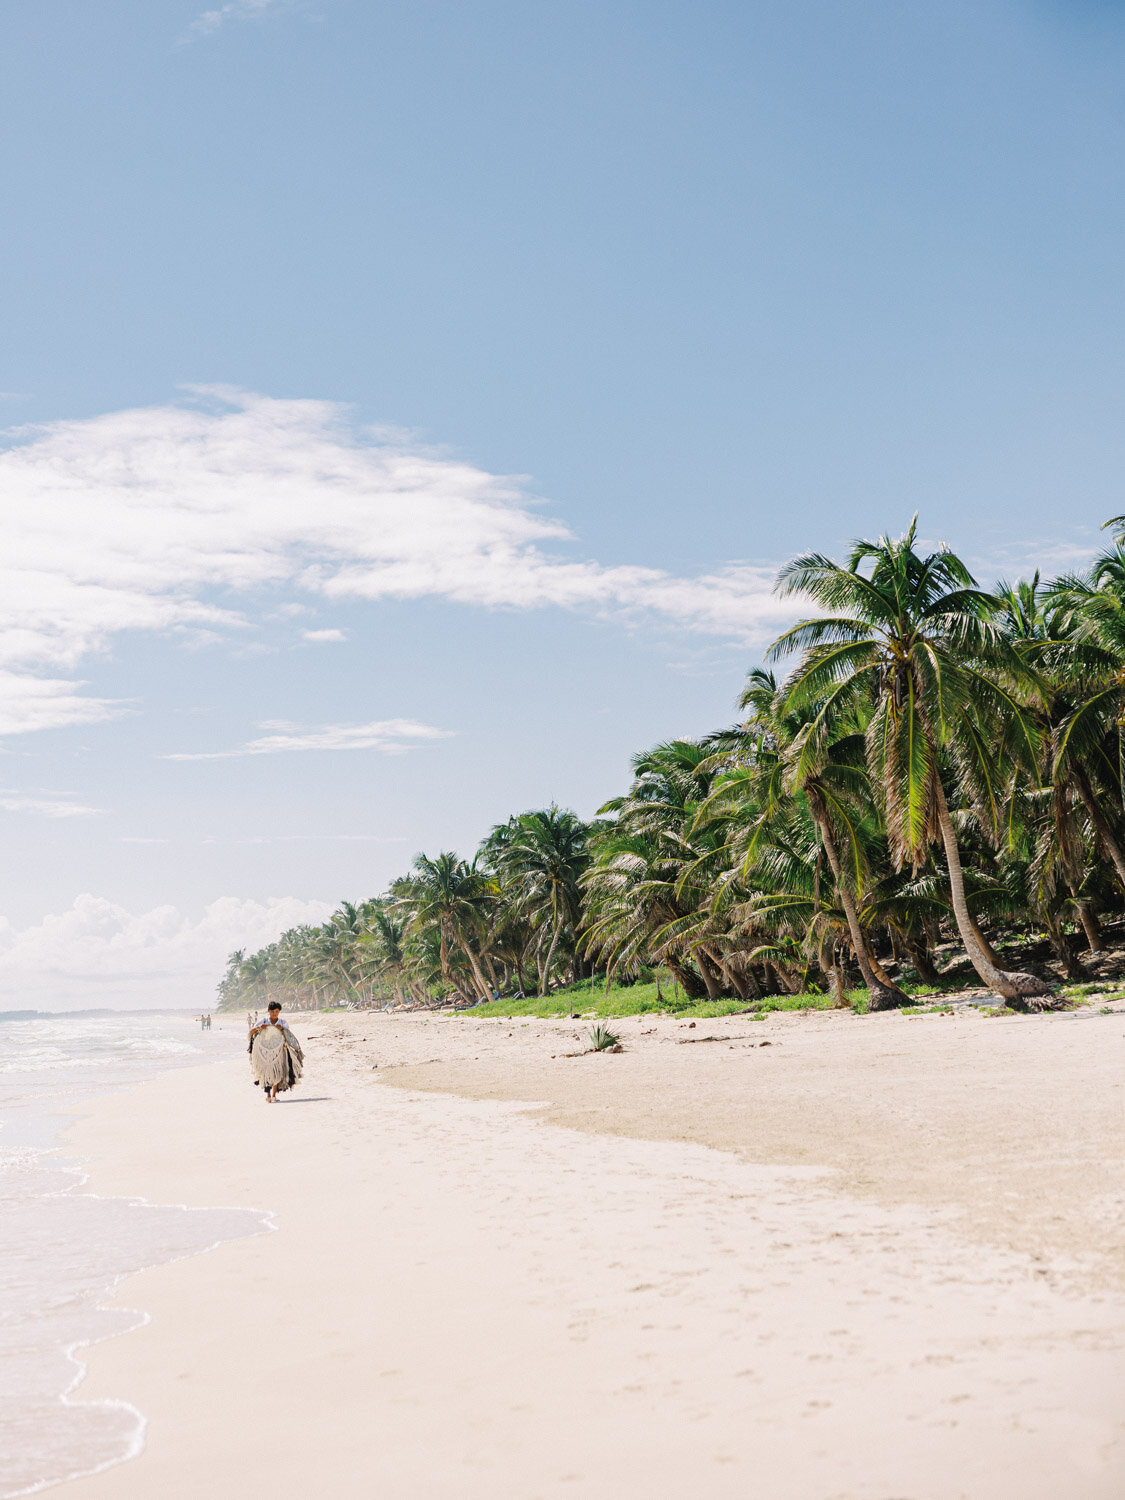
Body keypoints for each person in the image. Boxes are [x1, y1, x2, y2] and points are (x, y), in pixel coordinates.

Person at [248, 1002, 304, 1103]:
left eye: (277, 1011)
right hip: (264, 1052)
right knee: (266, 1072)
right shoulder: (263, 1021)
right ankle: (268, 1095)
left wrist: (282, 1029)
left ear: (279, 1012)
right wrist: (260, 1027)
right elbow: (251, 1032)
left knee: (277, 1072)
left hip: (279, 1052)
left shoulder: (282, 1022)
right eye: (272, 1011)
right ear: (269, 1011)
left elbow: (289, 1035)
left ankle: (273, 1095)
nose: (275, 1013)